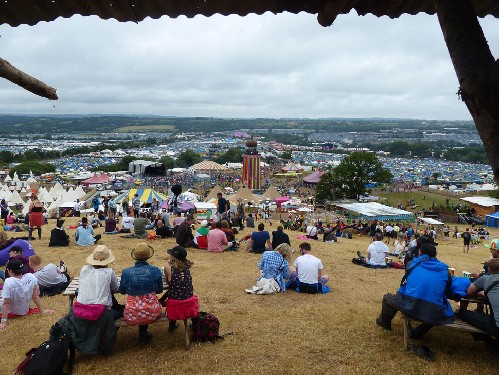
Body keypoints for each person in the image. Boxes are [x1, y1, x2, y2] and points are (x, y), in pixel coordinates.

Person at [375, 242, 454, 338]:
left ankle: (385, 323)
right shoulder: (444, 270)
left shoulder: (412, 264)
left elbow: (405, 280)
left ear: (420, 253)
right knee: (436, 313)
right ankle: (416, 333)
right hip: (431, 310)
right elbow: (448, 289)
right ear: (435, 254)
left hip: (409, 305)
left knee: (387, 298)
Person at [118, 243, 163, 345]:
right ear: (148, 256)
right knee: (146, 306)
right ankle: (143, 334)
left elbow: (122, 291)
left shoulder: (126, 272)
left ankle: (143, 334)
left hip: (132, 313)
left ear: (135, 257)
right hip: (153, 311)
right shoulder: (155, 270)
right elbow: (160, 290)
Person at [0, 259, 54, 330]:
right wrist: (41, 311)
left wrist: (4, 321)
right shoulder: (31, 276)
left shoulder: (8, 282)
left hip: (12, 312)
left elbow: (6, 303)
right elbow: (36, 296)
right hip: (24, 310)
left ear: (10, 271)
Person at [457, 258, 499, 339]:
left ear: (489, 270)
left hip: (496, 327)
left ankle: (487, 340)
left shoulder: (486, 279)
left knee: (462, 313)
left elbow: (469, 292)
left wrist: (481, 293)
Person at [76, 245, 121, 320]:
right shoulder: (108, 272)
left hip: (82, 310)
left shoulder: (84, 269)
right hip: (101, 313)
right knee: (121, 311)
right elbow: (116, 289)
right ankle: (108, 329)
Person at [164, 246, 199, 333]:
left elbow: (168, 282)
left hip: (174, 306)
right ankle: (194, 324)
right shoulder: (189, 267)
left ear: (173, 257)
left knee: (173, 298)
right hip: (189, 304)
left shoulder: (168, 267)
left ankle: (172, 325)